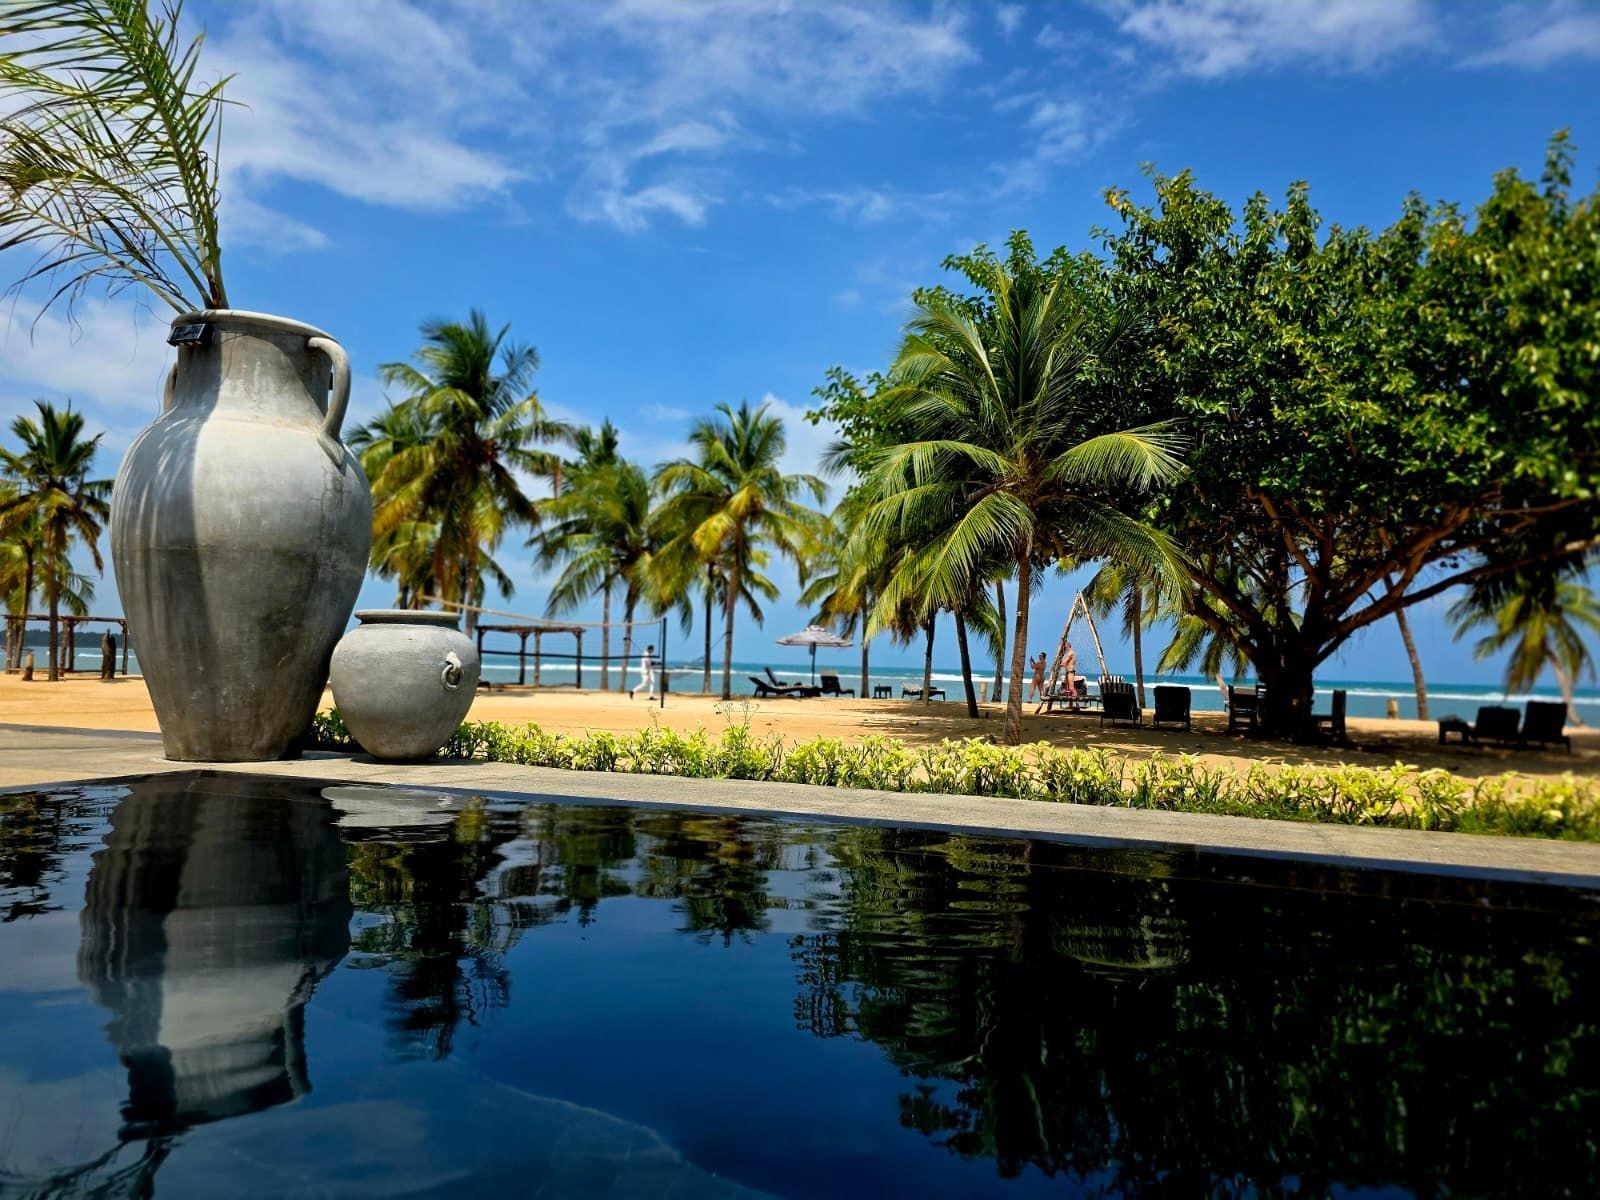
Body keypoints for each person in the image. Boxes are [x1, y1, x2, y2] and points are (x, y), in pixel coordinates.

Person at [1062, 642, 1079, 707]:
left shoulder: (1071, 653)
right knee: (1068, 689)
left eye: (1065, 646)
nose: (1064, 647)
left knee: (1071, 688)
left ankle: (1076, 704)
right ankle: (1071, 705)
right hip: (1068, 671)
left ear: (1068, 646)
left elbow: (1064, 663)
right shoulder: (1068, 653)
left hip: (1070, 671)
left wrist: (1056, 664)